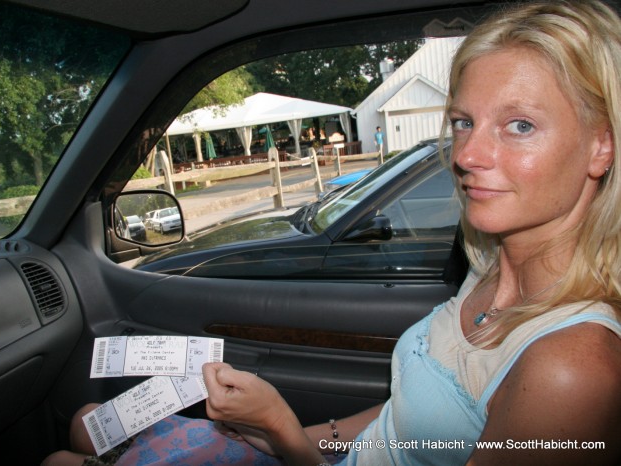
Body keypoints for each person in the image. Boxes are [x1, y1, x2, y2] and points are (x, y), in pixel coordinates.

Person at [43, 1, 621, 465]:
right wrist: (286, 432)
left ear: (603, 145)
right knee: (87, 429)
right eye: (464, 122)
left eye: (519, 125)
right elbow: (404, 424)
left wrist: (284, 435)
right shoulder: (491, 265)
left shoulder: (569, 369)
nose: (467, 154)